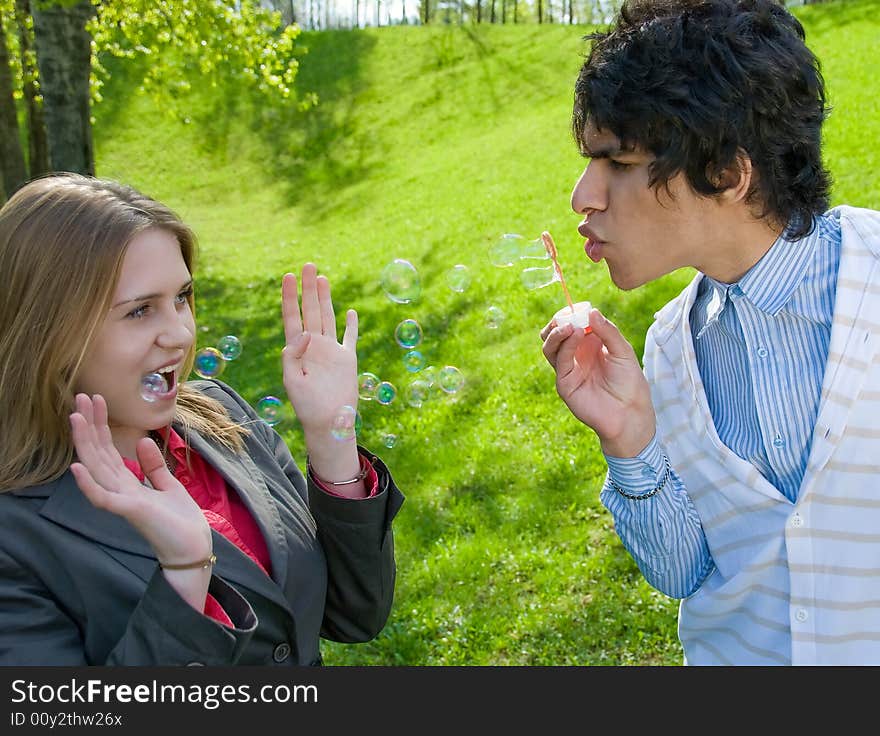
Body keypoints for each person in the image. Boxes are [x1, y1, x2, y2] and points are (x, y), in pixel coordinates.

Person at [541, 0, 880, 665]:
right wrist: (630, 441)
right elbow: (687, 573)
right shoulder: (669, 345)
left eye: (616, 162)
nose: (583, 195)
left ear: (725, 172)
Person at [0, 172, 404, 665]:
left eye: (182, 298)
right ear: (47, 332)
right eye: (139, 311)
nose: (179, 334)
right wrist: (183, 575)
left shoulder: (221, 414)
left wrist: (330, 440)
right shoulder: (13, 534)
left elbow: (355, 613)